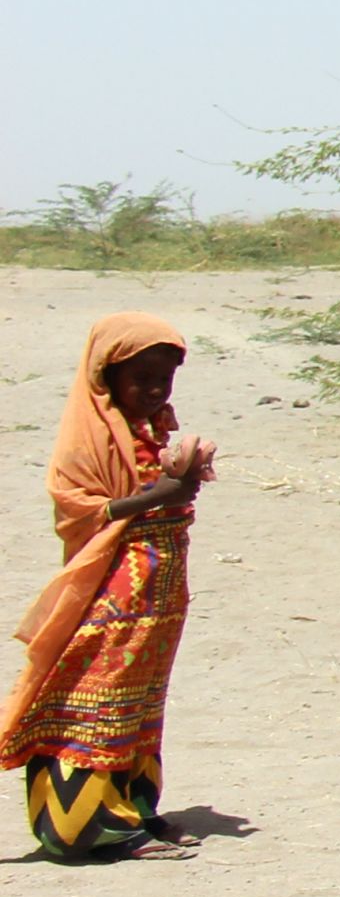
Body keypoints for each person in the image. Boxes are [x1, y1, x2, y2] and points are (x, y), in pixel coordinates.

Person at [9, 316, 211, 860]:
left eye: (163, 380)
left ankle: (136, 810)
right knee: (97, 695)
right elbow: (77, 509)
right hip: (115, 589)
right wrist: (159, 494)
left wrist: (184, 478)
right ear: (107, 377)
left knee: (142, 701)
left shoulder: (151, 431)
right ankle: (86, 827)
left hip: (161, 591)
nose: (153, 391)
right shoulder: (88, 438)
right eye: (140, 379)